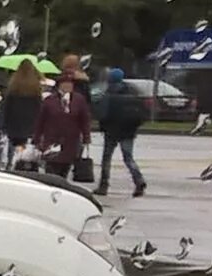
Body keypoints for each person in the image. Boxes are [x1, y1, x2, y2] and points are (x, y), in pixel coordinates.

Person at [35, 55, 95, 187]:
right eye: (65, 84)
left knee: (63, 172)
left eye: (70, 84)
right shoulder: (50, 101)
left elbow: (84, 119)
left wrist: (86, 137)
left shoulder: (79, 100)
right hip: (52, 140)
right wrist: (37, 139)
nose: (68, 86)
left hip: (70, 140)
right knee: (51, 172)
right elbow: (41, 120)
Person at [95, 66, 151, 196]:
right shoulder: (132, 92)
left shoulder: (108, 94)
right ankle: (138, 179)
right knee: (128, 158)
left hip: (111, 131)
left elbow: (102, 114)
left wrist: (103, 125)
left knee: (106, 158)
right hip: (128, 131)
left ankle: (103, 185)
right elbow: (141, 113)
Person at [0, 58, 45, 169]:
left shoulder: (14, 86)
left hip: (14, 122)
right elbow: (39, 108)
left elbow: (6, 106)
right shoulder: (35, 88)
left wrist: (3, 123)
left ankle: (10, 163)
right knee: (27, 146)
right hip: (30, 122)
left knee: (14, 145)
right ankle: (24, 163)